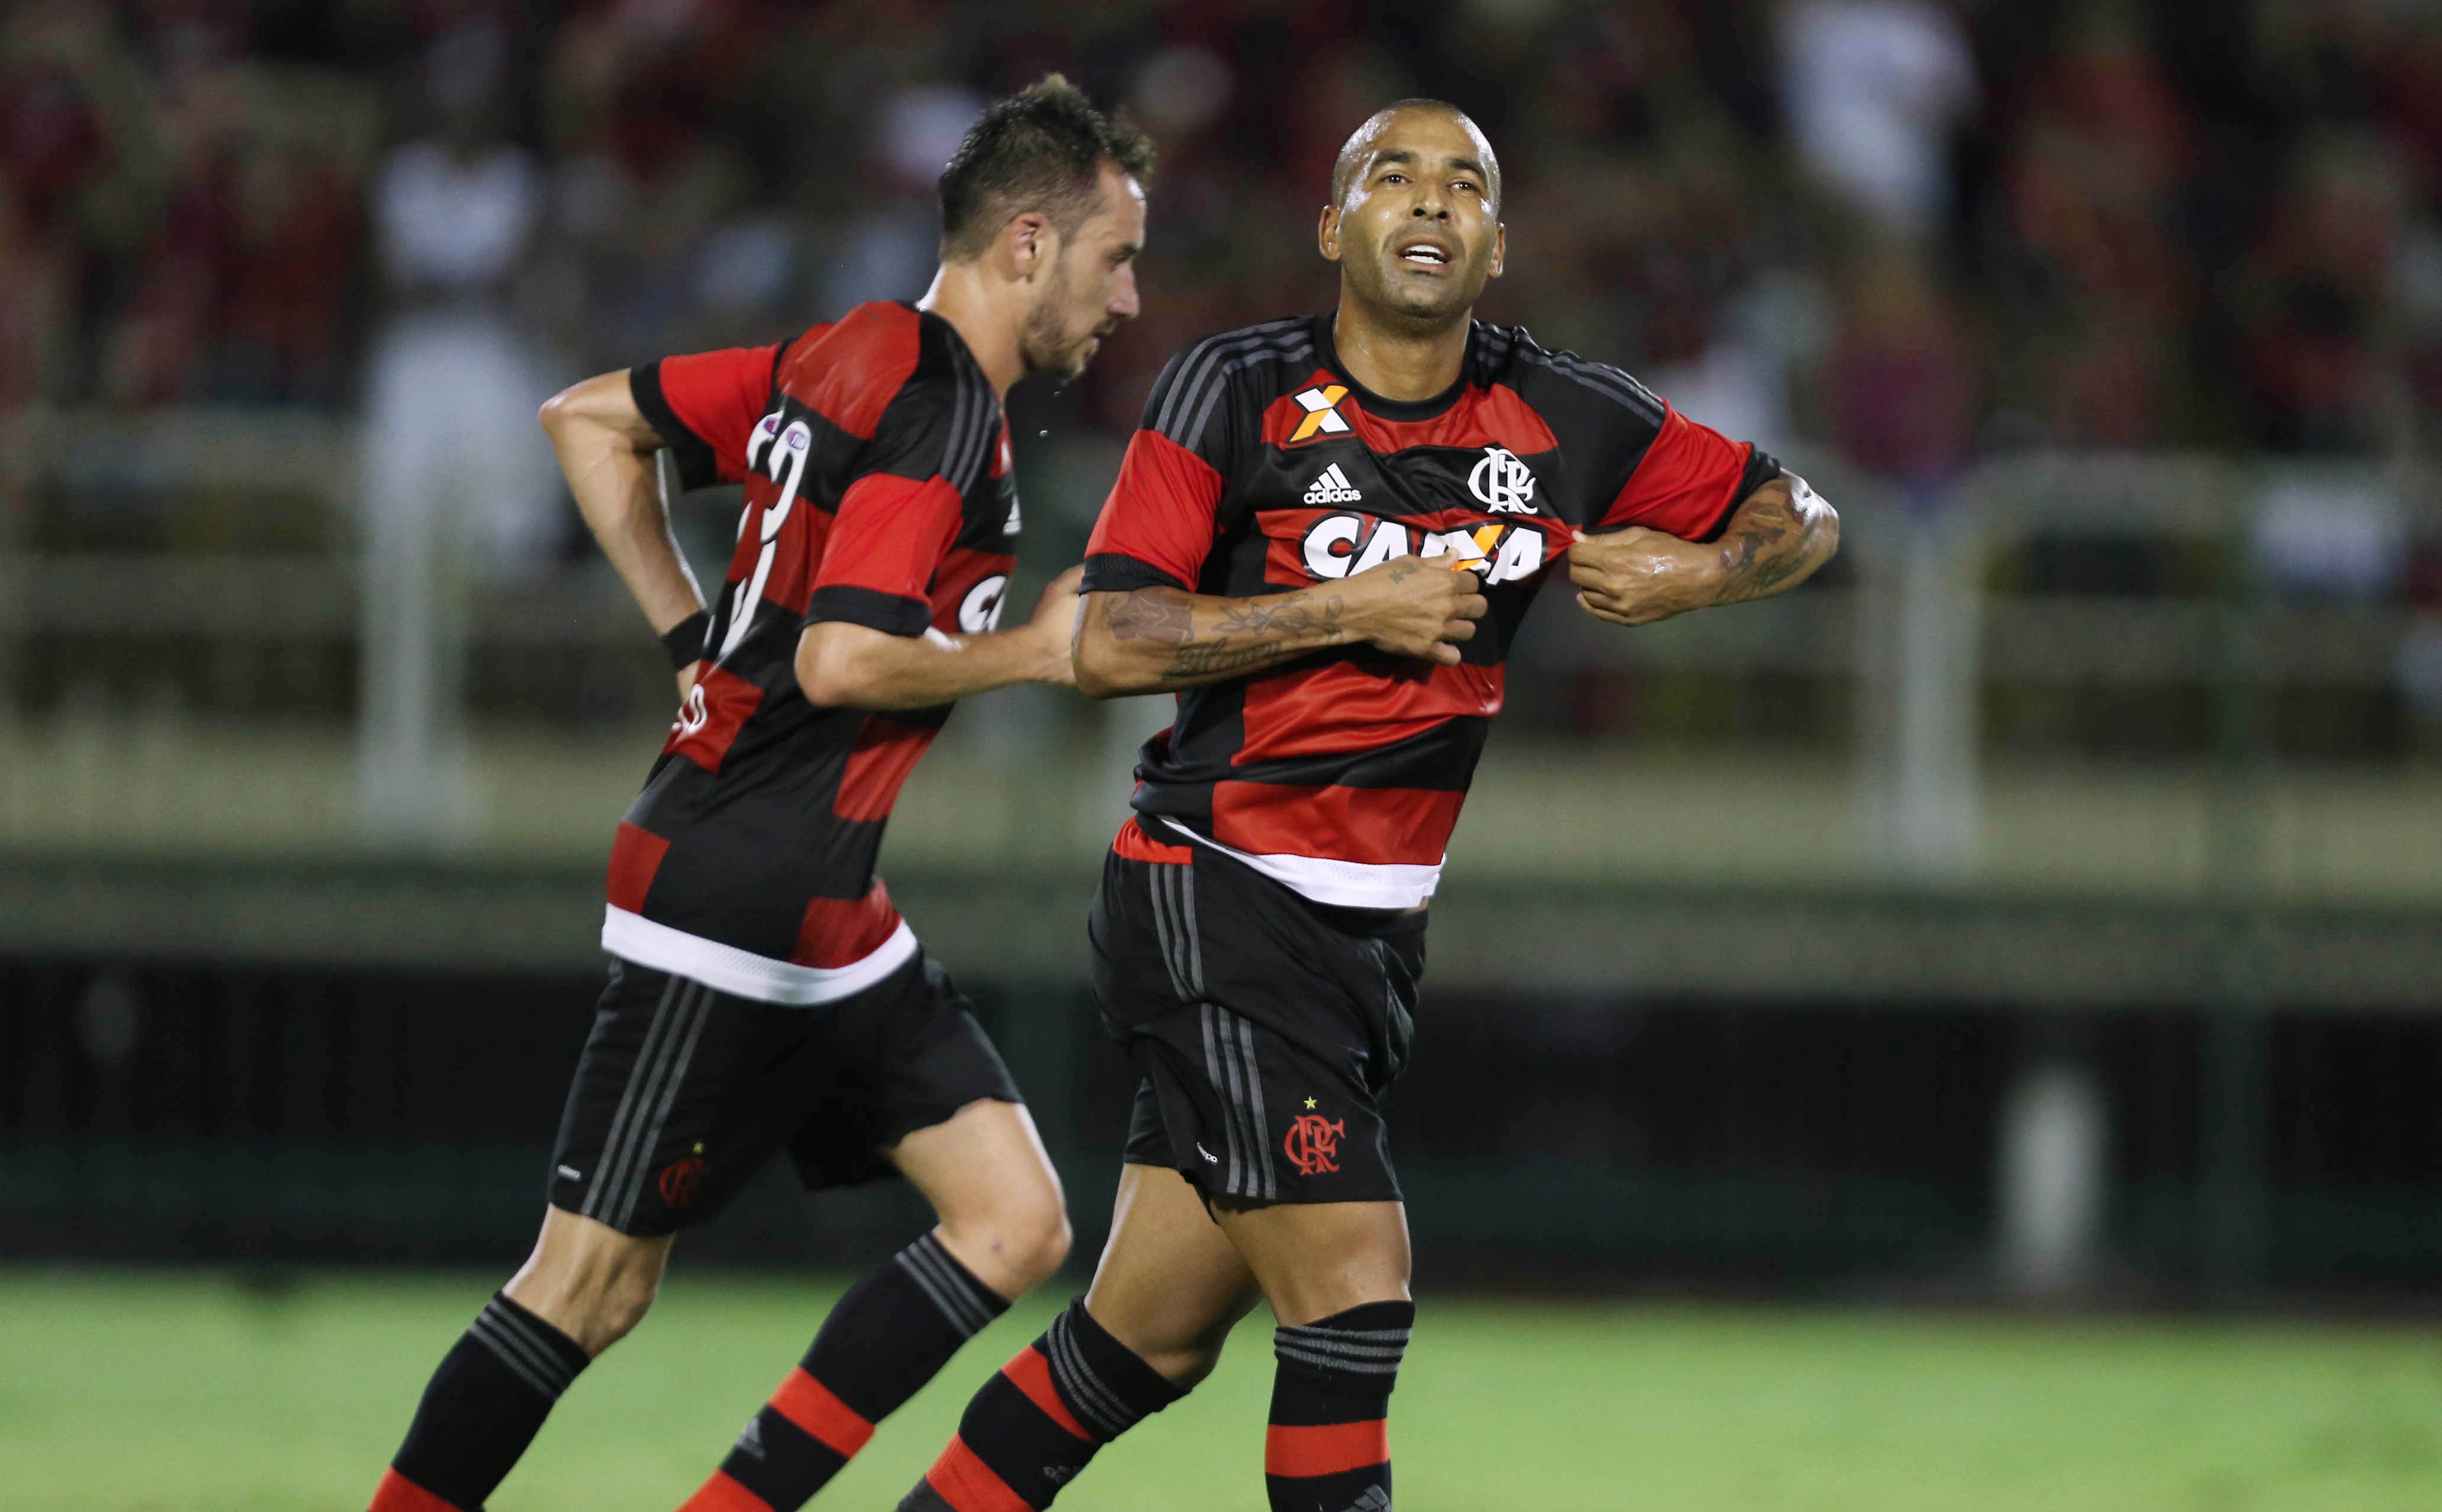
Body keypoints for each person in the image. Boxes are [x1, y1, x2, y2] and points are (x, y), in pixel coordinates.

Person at [893, 99, 1839, 1512]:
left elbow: (1803, 515)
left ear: (1498, 245)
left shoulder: (1569, 413)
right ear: (1337, 229)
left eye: (1465, 184)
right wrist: (1348, 605)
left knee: (1141, 1343)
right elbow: (1101, 641)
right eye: (1392, 177)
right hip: (1214, 889)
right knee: (1355, 1288)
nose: (1430, 201)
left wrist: (1707, 576)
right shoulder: (1236, 387)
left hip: (1370, 938)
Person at [364, 76, 1152, 1512]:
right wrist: (1031, 653)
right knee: (589, 1286)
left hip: (823, 903)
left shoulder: (849, 349)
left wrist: (692, 640)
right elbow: (847, 659)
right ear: (1029, 244)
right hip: (737, 889)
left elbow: (588, 419)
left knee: (1015, 1219)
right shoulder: (944, 412)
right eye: (1116, 257)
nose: (1131, 296)